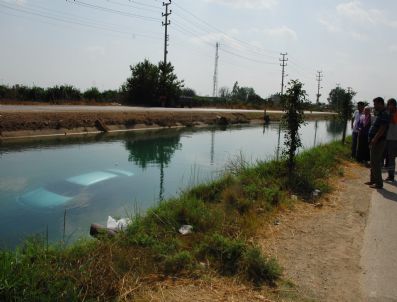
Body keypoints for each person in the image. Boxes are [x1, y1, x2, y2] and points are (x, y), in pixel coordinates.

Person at [365, 97, 389, 189]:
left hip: (379, 141)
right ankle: (373, 180)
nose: (374, 106)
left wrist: (375, 138)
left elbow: (382, 129)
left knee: (375, 162)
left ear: (380, 103)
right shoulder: (380, 113)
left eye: (375, 104)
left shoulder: (384, 114)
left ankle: (379, 183)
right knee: (373, 161)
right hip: (375, 141)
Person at [385, 98, 397, 181]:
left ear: (393, 105)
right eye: (388, 104)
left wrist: (389, 115)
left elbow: (394, 121)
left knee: (391, 157)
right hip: (388, 137)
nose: (388, 106)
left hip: (394, 138)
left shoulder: (394, 113)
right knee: (389, 157)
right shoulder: (388, 113)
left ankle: (391, 176)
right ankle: (390, 174)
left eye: (389, 104)